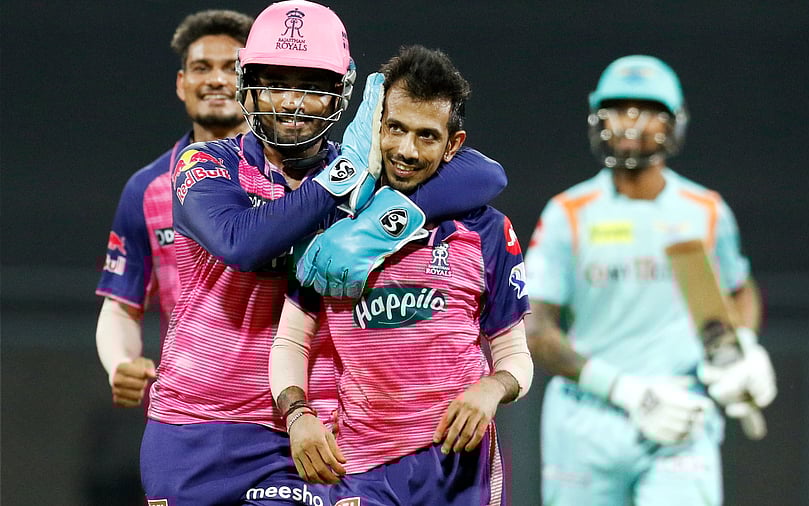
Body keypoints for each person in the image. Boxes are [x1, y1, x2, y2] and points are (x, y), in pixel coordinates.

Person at [139, 2, 508, 505]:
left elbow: (486, 174)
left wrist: (376, 221)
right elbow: (240, 243)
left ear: (341, 94)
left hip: (309, 430)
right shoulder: (206, 163)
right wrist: (342, 178)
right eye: (275, 84)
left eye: (311, 87)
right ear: (250, 88)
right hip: (194, 423)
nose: (292, 102)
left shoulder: (369, 178)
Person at [269, 45, 533, 506]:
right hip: (359, 467)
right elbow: (291, 340)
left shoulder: (487, 229)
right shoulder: (333, 220)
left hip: (460, 465)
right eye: (396, 129)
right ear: (378, 126)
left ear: (453, 144)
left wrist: (491, 389)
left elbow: (516, 355)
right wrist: (297, 415)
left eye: (427, 136)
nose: (407, 151)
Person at [523, 55, 777, 506]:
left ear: (674, 123)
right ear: (598, 118)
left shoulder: (706, 210)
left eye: (647, 110)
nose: (631, 122)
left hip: (681, 413)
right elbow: (535, 328)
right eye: (619, 109)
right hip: (587, 420)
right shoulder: (567, 214)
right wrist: (625, 391)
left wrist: (741, 348)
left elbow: (739, 290)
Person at [95, 9, 253, 408]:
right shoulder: (147, 189)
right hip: (186, 411)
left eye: (231, 68)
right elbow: (121, 306)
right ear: (182, 84)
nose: (216, 79)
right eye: (202, 68)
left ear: (254, 84)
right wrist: (120, 363)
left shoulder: (292, 180)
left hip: (282, 411)